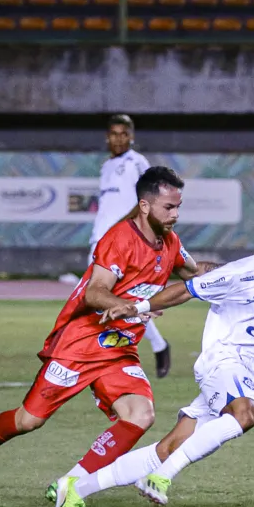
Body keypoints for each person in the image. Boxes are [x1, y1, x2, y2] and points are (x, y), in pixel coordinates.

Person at [50, 203, 254, 507]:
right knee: (244, 415)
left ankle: (74, 488)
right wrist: (136, 307)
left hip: (250, 379)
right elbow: (184, 291)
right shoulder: (246, 273)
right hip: (222, 361)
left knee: (169, 446)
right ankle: (162, 477)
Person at [0, 167, 217, 507]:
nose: (175, 215)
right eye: (168, 208)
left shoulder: (171, 243)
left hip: (118, 349)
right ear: (145, 206)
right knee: (28, 421)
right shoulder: (119, 239)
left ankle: (71, 484)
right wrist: (125, 307)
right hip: (80, 344)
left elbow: (198, 272)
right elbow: (95, 292)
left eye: (178, 207)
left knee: (140, 415)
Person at [62, 114, 172, 377]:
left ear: (131, 136)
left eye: (124, 134)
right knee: (111, 299)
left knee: (100, 296)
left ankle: (88, 351)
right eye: (114, 133)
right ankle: (157, 345)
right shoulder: (106, 166)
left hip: (123, 241)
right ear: (107, 137)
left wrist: (125, 228)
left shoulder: (137, 163)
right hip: (101, 240)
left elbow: (147, 199)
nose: (119, 138)